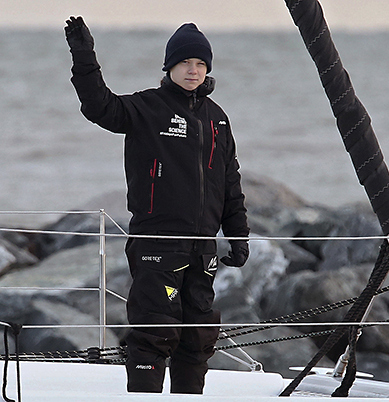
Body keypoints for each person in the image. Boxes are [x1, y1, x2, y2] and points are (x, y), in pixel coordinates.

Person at [64, 16, 250, 394]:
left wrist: (238, 235)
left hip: (202, 248)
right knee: (154, 330)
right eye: (185, 64)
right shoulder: (148, 107)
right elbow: (99, 106)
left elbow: (230, 181)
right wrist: (85, 57)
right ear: (170, 67)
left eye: (200, 64)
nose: (193, 71)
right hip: (157, 241)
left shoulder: (218, 120)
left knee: (197, 336)